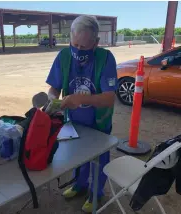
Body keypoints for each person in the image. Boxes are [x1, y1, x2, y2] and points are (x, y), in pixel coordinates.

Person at [46, 15, 118, 213]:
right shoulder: (63, 56)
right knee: (78, 156)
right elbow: (54, 89)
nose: (78, 50)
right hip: (74, 123)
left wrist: (81, 99)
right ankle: (80, 185)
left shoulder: (105, 58)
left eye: (84, 47)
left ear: (96, 43)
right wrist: (52, 99)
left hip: (99, 123)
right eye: (74, 44)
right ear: (70, 38)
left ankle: (96, 193)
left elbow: (109, 98)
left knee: (99, 159)